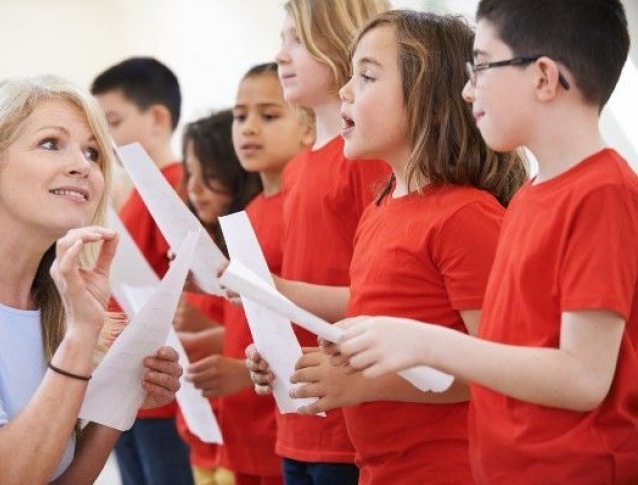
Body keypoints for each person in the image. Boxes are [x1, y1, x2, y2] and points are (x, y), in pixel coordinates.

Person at [332, 1, 638, 482]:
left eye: (482, 67)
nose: (466, 88)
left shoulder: (603, 193)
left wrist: (425, 342)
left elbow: (583, 378)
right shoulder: (531, 198)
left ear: (543, 78)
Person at [246, 10, 527, 482]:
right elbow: (374, 313)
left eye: (368, 76)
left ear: (431, 101)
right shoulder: (380, 208)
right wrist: (295, 360)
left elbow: (495, 371)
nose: (345, 91)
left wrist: (361, 383)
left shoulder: (466, 216)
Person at [0, 75, 182, 484]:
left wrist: (124, 394)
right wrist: (79, 340)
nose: (82, 166)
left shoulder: (55, 299)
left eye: (92, 152)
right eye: (51, 143)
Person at [243, 1, 391, 483]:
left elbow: (381, 302)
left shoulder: (366, 160)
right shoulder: (299, 167)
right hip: (299, 414)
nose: (281, 56)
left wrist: (274, 289)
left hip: (349, 425)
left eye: (296, 40)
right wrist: (271, 346)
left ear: (341, 45)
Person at [185, 63, 314, 485]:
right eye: (240, 116)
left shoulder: (306, 204)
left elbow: (307, 316)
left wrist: (242, 372)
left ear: (307, 125)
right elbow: (250, 318)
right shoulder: (251, 213)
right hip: (247, 424)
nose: (248, 129)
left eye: (269, 115)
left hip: (291, 415)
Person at [91, 56, 194, 485]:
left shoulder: (176, 188)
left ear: (157, 118)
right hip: (125, 377)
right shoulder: (134, 198)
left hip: (161, 385)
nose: (103, 138)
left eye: (111, 121)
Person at [178, 109, 262, 485]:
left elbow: (258, 331)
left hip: (251, 425)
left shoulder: (246, 247)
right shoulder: (203, 244)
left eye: (207, 175)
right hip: (204, 424)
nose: (193, 188)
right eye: (189, 173)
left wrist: (204, 330)